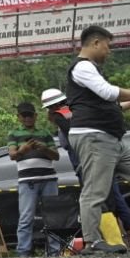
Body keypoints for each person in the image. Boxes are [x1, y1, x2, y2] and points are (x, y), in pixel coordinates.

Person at [65, 24, 130, 254]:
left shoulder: (91, 70)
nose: (109, 52)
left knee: (98, 188)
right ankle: (91, 241)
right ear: (95, 42)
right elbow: (108, 92)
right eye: (107, 46)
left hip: (112, 139)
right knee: (95, 190)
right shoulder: (82, 66)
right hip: (94, 137)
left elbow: (108, 104)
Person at [43, 86, 130, 239]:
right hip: (103, 157)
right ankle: (117, 238)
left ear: (52, 107)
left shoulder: (62, 116)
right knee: (113, 199)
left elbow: (75, 137)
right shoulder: (79, 110)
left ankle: (112, 240)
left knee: (101, 202)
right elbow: (116, 108)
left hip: (88, 162)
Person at [7, 101, 60, 257]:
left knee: (52, 216)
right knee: (26, 217)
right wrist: (23, 150)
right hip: (27, 180)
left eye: (30, 115)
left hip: (48, 178)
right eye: (24, 115)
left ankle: (55, 251)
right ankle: (23, 252)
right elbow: (12, 155)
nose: (27, 118)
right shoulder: (13, 134)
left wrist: (43, 149)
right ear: (19, 117)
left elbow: (56, 156)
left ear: (36, 116)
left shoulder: (45, 133)